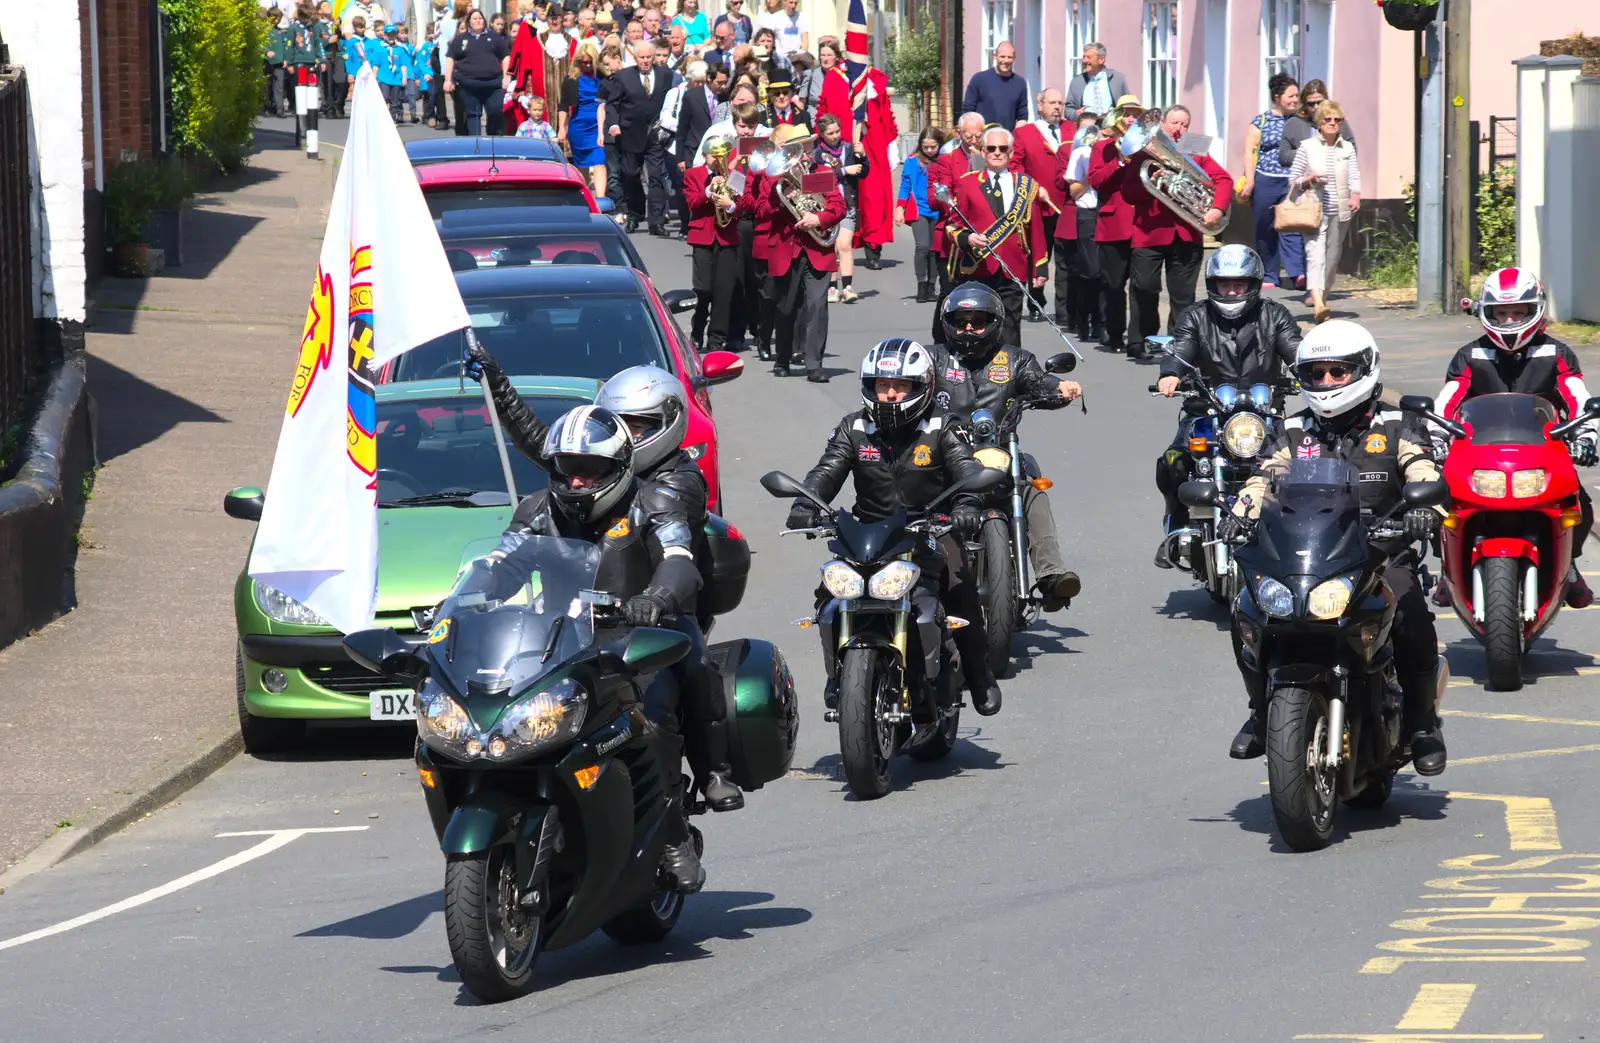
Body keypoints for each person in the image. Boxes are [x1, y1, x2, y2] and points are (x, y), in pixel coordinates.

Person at [465, 353, 747, 817]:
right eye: (619, 425)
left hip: (656, 610)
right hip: (570, 626)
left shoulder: (674, 482)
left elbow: (677, 558)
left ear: (668, 423)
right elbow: (550, 450)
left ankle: (708, 777)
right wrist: (500, 387)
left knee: (686, 673)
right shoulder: (576, 481)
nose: (628, 438)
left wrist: (653, 600)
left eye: (638, 427)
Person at [483, 406, 710, 892]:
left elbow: (679, 562)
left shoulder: (655, 502)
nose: (578, 481)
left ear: (620, 465)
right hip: (556, 641)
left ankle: (674, 834)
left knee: (653, 720)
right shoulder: (537, 510)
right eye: (568, 468)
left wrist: (655, 598)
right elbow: (503, 565)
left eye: (591, 469)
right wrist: (467, 596)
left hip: (635, 640)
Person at [1227, 321, 1448, 777]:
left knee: (1411, 615)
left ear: (1364, 371)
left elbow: (1423, 469)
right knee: (1247, 610)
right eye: (1316, 374)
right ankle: (1259, 709)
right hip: (1307, 554)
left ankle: (1424, 723)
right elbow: (1263, 477)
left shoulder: (1396, 425)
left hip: (1379, 552)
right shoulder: (1291, 429)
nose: (1326, 383)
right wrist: (1241, 511)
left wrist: (1426, 505)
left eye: (1337, 372)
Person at [784, 339, 1004, 716]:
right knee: (829, 595)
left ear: (922, 388)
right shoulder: (854, 427)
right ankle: (839, 673)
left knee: (959, 587)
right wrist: (806, 502)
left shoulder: (941, 426)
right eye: (882, 385)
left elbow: (967, 471)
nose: (890, 394)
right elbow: (826, 470)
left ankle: (978, 671)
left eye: (900, 386)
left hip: (929, 528)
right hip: (866, 533)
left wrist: (967, 506)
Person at [1430, 267, 1597, 607]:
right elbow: (1447, 401)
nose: (1509, 321)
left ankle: (1571, 563)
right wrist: (1434, 433)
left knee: (1579, 505)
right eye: (1501, 313)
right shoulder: (1470, 355)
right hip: (1477, 453)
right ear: (1487, 313)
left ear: (1534, 310)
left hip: (1544, 452)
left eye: (1518, 312)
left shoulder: (1557, 353)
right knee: (1439, 504)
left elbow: (1577, 396)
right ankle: (1449, 569)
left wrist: (1588, 432)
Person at [934, 283, 1084, 610]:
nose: (970, 328)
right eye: (962, 321)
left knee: (1032, 488)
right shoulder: (933, 359)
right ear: (949, 323)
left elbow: (1038, 382)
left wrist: (1059, 387)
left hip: (1000, 455)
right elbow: (908, 386)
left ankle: (1050, 574)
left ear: (994, 321)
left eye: (978, 319)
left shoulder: (1014, 360)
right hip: (944, 458)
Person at [1153, 245, 1302, 567]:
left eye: (1239, 283)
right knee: (1174, 462)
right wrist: (1170, 374)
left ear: (1253, 284)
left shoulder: (1274, 315)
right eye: (1224, 284)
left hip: (1264, 415)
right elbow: (1181, 347)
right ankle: (1176, 525)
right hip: (1206, 411)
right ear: (1212, 284)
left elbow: (1294, 347)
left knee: (1298, 469)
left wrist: (1310, 372)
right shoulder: (1196, 315)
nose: (1231, 290)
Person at [1124, 105, 1232, 357]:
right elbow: (1127, 192)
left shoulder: (1193, 145)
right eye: (1174, 123)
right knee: (1144, 287)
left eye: (1184, 125)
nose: (1179, 129)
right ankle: (1140, 339)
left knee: (1183, 295)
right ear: (1162, 123)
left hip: (1185, 232)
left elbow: (1224, 179)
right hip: (1149, 232)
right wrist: (1152, 181)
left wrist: (1217, 209)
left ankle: (1179, 342)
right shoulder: (1143, 150)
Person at [746, 123, 846, 380]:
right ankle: (782, 358)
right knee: (785, 307)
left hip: (817, 248)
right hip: (785, 248)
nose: (805, 154)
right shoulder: (773, 177)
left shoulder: (822, 172)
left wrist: (819, 219)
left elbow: (838, 207)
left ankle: (814, 365)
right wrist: (780, 201)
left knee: (816, 306)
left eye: (809, 148)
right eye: (800, 149)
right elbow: (759, 211)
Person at [942, 125, 1051, 350]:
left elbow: (1036, 230)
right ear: (983, 153)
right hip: (978, 267)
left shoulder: (1025, 185)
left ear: (1011, 153)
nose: (997, 152)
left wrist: (1039, 269)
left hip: (1013, 267)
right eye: (991, 148)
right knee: (978, 325)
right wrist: (968, 239)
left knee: (1010, 327)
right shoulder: (967, 183)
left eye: (1003, 148)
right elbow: (953, 225)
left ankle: (1012, 376)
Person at [1287, 100, 1359, 324]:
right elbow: (1293, 179)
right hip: (1313, 210)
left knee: (1332, 257)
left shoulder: (1346, 147)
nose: (1332, 123)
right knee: (1315, 256)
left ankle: (1323, 298)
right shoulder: (1307, 146)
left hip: (1340, 209)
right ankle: (1318, 303)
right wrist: (1307, 179)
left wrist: (1356, 194)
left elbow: (1354, 175)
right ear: (1319, 122)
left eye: (1337, 120)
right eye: (1327, 119)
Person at [1086, 97, 1144, 353]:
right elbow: (1096, 181)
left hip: (1143, 223)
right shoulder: (1103, 147)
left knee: (1142, 286)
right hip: (1113, 224)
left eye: (1136, 114)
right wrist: (1119, 160)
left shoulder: (1148, 146)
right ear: (1118, 117)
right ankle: (1114, 333)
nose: (1131, 119)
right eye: (1127, 114)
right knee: (1113, 285)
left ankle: (1139, 339)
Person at [925, 111, 987, 345]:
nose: (974, 141)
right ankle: (941, 342)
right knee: (950, 293)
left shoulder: (991, 157)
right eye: (969, 136)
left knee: (978, 295)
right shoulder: (946, 161)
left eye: (979, 136)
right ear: (959, 134)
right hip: (952, 237)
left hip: (984, 237)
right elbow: (934, 198)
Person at [1010, 87, 1069, 323]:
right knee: (1037, 255)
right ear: (1040, 105)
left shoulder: (1071, 130)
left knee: (1066, 260)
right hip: (1038, 204)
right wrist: (1033, 187)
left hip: (1067, 205)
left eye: (1060, 103)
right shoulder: (1024, 133)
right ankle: (1036, 301)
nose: (1057, 107)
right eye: (1052, 103)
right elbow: (1015, 166)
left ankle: (1064, 309)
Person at [1240, 74, 1302, 291]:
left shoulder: (1300, 121)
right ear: (1277, 97)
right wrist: (1249, 181)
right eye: (1291, 96)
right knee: (1264, 227)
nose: (1295, 100)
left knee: (1292, 225)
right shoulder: (1261, 121)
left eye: (1297, 95)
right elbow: (1248, 151)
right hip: (1265, 178)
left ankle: (1297, 273)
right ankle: (1269, 273)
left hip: (1292, 180)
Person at [684, 134, 747, 350]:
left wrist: (730, 205)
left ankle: (716, 338)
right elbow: (693, 203)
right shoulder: (694, 174)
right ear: (704, 155)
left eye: (722, 156)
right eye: (714, 156)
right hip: (702, 238)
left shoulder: (735, 176)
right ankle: (697, 329)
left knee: (724, 290)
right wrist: (710, 190)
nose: (718, 160)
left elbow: (743, 207)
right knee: (704, 289)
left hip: (727, 238)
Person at [608, 40, 674, 236]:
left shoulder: (665, 74)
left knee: (655, 177)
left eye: (648, 57)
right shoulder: (623, 77)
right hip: (630, 134)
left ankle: (657, 221)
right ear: (635, 58)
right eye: (641, 58)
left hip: (656, 134)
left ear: (653, 57)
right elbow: (612, 104)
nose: (645, 61)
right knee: (631, 175)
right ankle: (635, 216)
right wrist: (613, 124)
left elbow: (672, 99)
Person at [1056, 110, 1103, 340]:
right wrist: (1091, 173)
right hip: (1086, 211)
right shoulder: (1079, 154)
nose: (1091, 135)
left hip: (1107, 213)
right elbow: (1074, 191)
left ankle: (1103, 323)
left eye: (1094, 129)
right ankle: (1084, 321)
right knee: (1090, 270)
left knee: (1108, 273)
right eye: (1086, 130)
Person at [812, 113, 867, 304]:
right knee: (831, 247)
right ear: (822, 134)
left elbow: (863, 172)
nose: (835, 136)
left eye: (837, 131)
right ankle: (832, 287)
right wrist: (843, 171)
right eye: (830, 133)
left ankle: (848, 287)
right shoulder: (817, 153)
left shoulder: (849, 149)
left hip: (848, 203)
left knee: (844, 244)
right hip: (826, 205)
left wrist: (863, 157)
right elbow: (817, 179)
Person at [444, 9, 512, 135]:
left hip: (493, 85)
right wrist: (448, 80)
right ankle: (476, 146)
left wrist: (506, 76)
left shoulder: (494, 37)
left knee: (495, 111)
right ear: (469, 22)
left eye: (480, 18)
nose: (478, 20)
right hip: (469, 85)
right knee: (473, 115)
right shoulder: (461, 39)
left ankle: (492, 140)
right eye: (475, 18)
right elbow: (450, 58)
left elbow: (506, 56)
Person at [898, 125, 944, 304]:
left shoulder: (943, 161)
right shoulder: (912, 161)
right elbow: (905, 186)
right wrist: (900, 207)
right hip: (919, 210)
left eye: (933, 147)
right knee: (922, 246)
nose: (930, 150)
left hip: (938, 210)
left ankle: (932, 286)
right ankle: (921, 286)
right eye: (926, 147)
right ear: (920, 145)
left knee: (935, 250)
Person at [1277, 79, 1355, 173]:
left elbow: (1352, 149)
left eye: (1319, 102)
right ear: (1304, 104)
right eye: (1311, 104)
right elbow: (1283, 157)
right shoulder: (1294, 123)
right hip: (1305, 181)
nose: (1316, 107)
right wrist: (1309, 152)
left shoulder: (1337, 121)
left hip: (1334, 179)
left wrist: (1331, 153)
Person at [961, 41, 1028, 130]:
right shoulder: (979, 79)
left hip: (1007, 138)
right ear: (995, 56)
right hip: (982, 137)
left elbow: (1022, 116)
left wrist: (1017, 136)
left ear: (1014, 58)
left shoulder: (1020, 83)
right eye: (1002, 57)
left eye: (1010, 57)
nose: (1006, 60)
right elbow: (968, 111)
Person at [1063, 42, 1127, 123]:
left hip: (1111, 129)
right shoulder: (1076, 82)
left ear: (1101, 60)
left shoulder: (1117, 79)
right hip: (1087, 129)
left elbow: (1127, 106)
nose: (1084, 60)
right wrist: (1076, 114)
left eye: (1088, 57)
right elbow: (1068, 110)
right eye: (1084, 57)